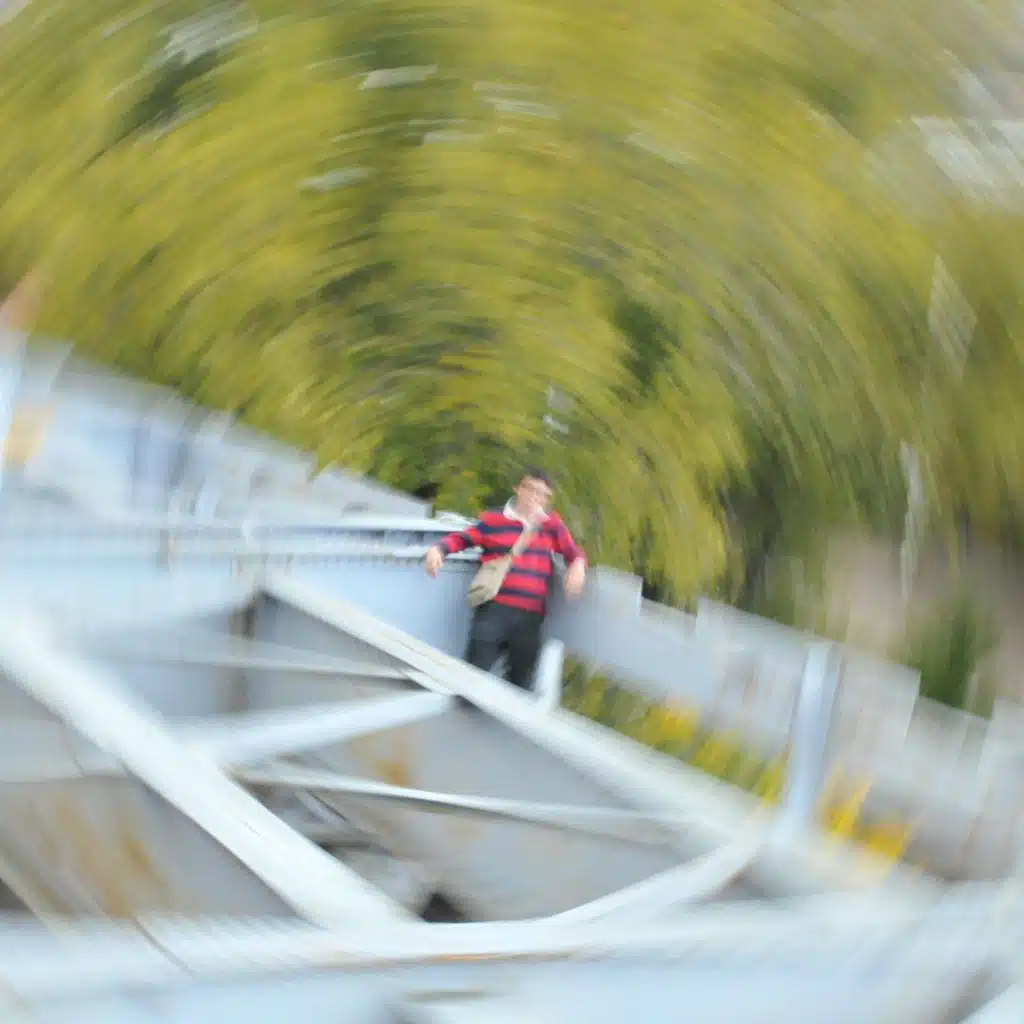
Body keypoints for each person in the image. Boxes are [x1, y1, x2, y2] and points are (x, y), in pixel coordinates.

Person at [424, 467, 587, 690]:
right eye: (531, 489)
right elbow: (463, 539)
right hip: (493, 610)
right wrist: (439, 549)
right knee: (470, 678)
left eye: (542, 494)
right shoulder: (493, 519)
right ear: (518, 488)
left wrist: (577, 566)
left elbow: (573, 552)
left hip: (529, 619)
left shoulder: (551, 524)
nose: (535, 497)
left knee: (520, 687)